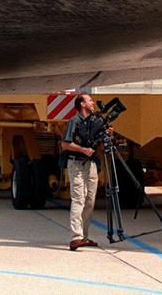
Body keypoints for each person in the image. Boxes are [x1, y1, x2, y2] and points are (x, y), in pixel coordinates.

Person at [59, 93, 104, 251]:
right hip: (77, 163)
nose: (93, 102)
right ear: (82, 104)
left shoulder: (93, 122)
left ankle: (84, 236)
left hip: (90, 164)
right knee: (79, 198)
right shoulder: (74, 121)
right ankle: (76, 237)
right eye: (90, 100)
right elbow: (65, 144)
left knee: (90, 200)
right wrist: (83, 149)